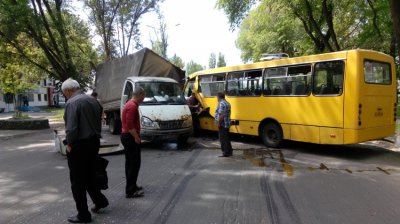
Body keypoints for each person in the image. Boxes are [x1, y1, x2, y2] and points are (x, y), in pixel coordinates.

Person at [62, 78, 109, 223]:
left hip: (79, 145)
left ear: (68, 90)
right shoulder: (93, 101)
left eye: (64, 93)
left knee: (77, 182)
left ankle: (83, 214)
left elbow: (72, 129)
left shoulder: (72, 103)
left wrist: (69, 144)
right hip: (94, 142)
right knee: (90, 175)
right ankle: (100, 201)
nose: (65, 96)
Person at [120, 87, 145, 198]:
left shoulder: (131, 104)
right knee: (134, 164)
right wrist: (136, 137)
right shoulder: (132, 106)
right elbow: (129, 125)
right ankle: (130, 191)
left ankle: (132, 185)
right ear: (139, 94)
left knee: (130, 163)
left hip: (128, 137)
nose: (143, 98)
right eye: (143, 96)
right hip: (130, 137)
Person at [215, 92, 233, 157]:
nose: (216, 98)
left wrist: (219, 124)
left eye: (217, 97)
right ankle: (230, 151)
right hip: (227, 123)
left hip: (222, 124)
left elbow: (221, 115)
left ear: (219, 97)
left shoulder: (221, 103)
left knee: (222, 139)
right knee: (227, 138)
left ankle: (225, 153)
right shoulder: (227, 103)